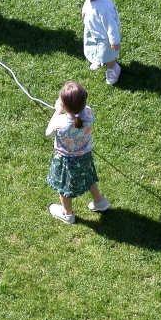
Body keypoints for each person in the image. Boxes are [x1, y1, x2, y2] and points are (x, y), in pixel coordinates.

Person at [45, 81, 110, 224]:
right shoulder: (88, 111)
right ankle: (99, 202)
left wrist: (57, 111)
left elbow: (48, 132)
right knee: (88, 177)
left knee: (64, 188)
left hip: (66, 161)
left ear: (64, 105)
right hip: (85, 156)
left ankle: (68, 215)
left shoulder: (60, 122)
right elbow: (77, 113)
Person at [76, 0, 122, 84]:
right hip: (93, 31)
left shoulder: (104, 8)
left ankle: (114, 68)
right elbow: (88, 3)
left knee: (107, 56)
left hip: (104, 38)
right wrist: (84, 11)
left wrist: (114, 41)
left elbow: (111, 26)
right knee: (92, 47)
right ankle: (98, 59)